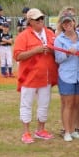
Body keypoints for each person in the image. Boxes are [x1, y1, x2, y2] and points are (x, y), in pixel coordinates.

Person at [13, 8, 58, 144]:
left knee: (44, 104)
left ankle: (40, 130)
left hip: (46, 76)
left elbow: (57, 50)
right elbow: (17, 56)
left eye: (41, 19)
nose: (40, 21)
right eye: (37, 19)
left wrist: (51, 50)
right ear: (30, 21)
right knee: (26, 104)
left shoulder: (50, 33)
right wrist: (35, 51)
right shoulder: (23, 36)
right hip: (29, 77)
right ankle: (26, 132)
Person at [54, 14, 79, 142]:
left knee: (77, 104)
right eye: (64, 23)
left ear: (74, 22)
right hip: (66, 75)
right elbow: (58, 59)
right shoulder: (59, 40)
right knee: (68, 103)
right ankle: (67, 131)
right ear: (62, 25)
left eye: (69, 22)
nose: (67, 25)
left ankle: (74, 129)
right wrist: (67, 53)